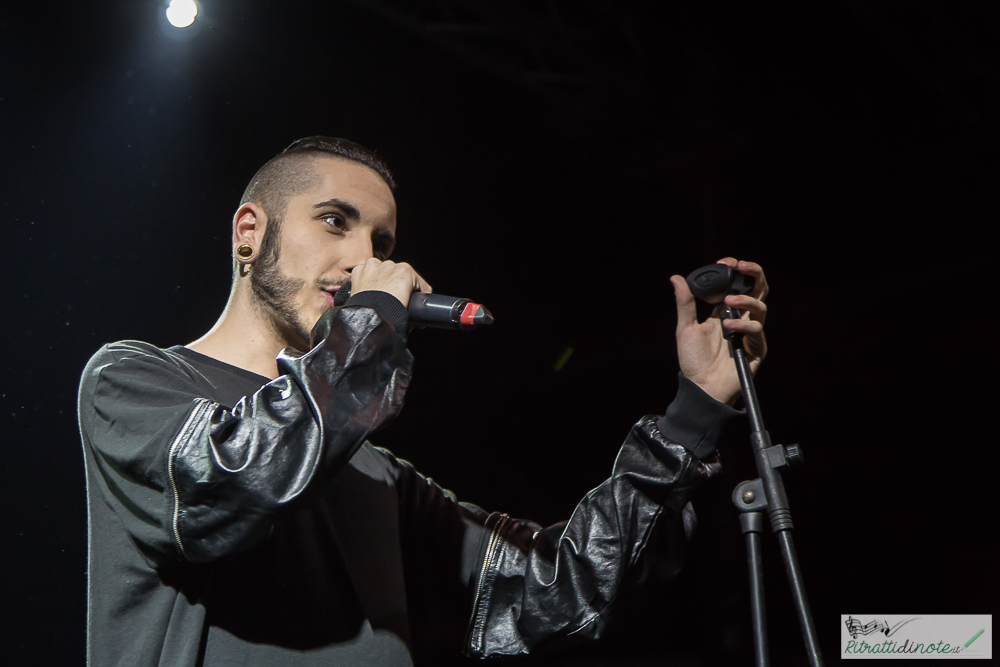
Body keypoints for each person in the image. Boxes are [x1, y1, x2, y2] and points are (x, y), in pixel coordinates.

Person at [78, 136, 769, 666]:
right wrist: (373, 318)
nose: (363, 258)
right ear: (249, 232)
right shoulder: (131, 382)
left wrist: (694, 413)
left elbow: (557, 589)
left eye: (381, 242)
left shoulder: (377, 476)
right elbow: (234, 483)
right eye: (334, 221)